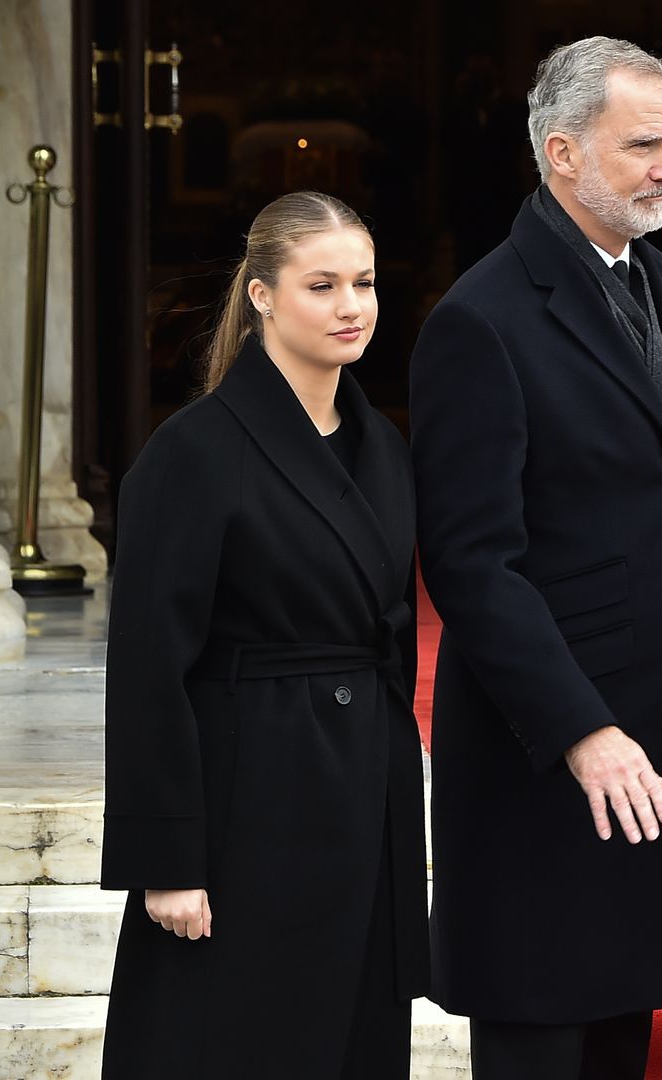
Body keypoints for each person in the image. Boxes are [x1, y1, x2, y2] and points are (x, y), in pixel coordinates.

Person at [408, 38, 662, 1080]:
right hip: (540, 748)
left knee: (619, 1025)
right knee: (544, 1027)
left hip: (654, 722)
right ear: (561, 152)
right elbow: (471, 564)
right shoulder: (479, 320)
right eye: (643, 146)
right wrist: (582, 730)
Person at [100, 191, 427, 1078]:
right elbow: (148, 669)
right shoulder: (192, 453)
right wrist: (167, 859)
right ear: (262, 296)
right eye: (322, 285)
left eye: (363, 282)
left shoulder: (384, 448)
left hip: (363, 791)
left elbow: (393, 632)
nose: (351, 306)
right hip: (248, 805)